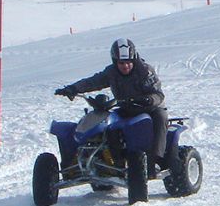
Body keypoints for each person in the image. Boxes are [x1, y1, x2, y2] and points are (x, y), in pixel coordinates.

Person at [55, 38, 168, 178]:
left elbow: (158, 94)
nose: (125, 66)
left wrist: (149, 99)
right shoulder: (112, 72)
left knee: (161, 117)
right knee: (108, 123)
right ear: (115, 62)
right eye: (121, 63)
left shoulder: (145, 71)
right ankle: (113, 163)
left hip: (149, 108)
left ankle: (155, 160)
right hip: (126, 107)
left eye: (128, 62)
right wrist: (73, 88)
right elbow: (92, 81)